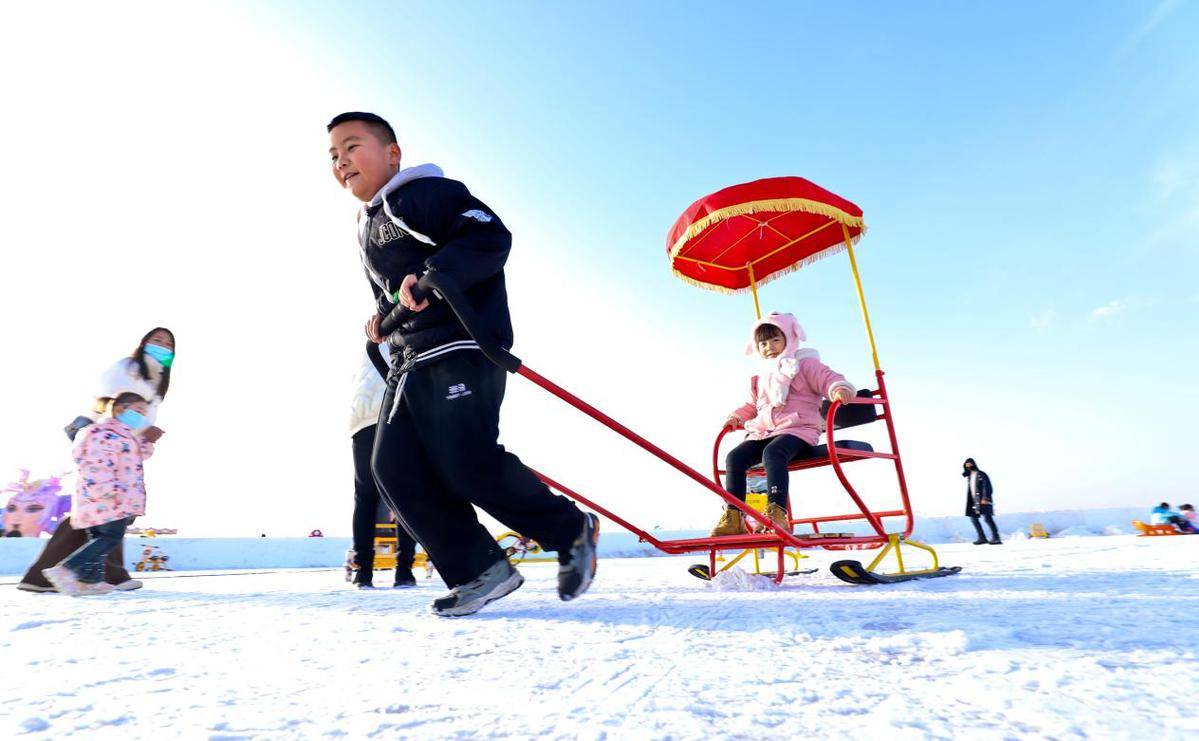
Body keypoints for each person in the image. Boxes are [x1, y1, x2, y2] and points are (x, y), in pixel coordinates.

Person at [327, 111, 598, 617]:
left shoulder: (425, 195)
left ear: (392, 154)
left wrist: (434, 274)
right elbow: (397, 293)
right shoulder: (369, 224)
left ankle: (570, 529)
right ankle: (478, 569)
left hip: (462, 345)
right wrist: (383, 319)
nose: (341, 161)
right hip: (411, 359)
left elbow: (489, 236)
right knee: (391, 466)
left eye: (351, 146)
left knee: (464, 458)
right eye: (333, 156)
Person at [18, 328, 176, 593]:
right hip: (105, 441)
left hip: (126, 444)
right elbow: (107, 403)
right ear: (143, 343)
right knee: (94, 513)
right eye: (156, 340)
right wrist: (140, 427)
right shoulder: (128, 368)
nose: (162, 346)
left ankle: (106, 575)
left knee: (113, 514)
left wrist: (143, 438)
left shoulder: (155, 377)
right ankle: (44, 576)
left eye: (168, 344)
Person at [710, 313, 855, 537]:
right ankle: (734, 515)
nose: (770, 347)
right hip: (765, 431)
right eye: (763, 343)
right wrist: (737, 417)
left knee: (773, 452)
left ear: (789, 337)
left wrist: (839, 388)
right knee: (735, 457)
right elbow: (753, 405)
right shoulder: (761, 376)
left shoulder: (804, 364)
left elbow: (828, 378)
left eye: (776, 339)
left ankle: (776, 512)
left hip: (799, 430)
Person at [42, 393, 155, 596]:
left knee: (98, 538)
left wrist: (147, 439)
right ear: (121, 410)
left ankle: (89, 581)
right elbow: (97, 464)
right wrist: (105, 491)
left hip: (109, 500)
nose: (142, 417)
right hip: (108, 499)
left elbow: (137, 455)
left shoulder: (123, 434)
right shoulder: (105, 433)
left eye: (144, 413)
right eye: (138, 411)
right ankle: (66, 569)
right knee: (110, 537)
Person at [349, 343, 418, 589]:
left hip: (361, 417)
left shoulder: (369, 341)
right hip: (394, 410)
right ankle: (404, 571)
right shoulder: (406, 331)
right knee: (405, 493)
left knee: (364, 497)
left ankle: (363, 572)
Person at [963, 458, 1001, 544]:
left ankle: (996, 538)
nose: (969, 466)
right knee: (973, 519)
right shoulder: (969, 477)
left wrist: (985, 498)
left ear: (974, 464)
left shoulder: (981, 474)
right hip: (974, 502)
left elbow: (987, 486)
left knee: (987, 518)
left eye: (970, 464)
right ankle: (982, 538)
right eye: (967, 465)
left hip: (983, 500)